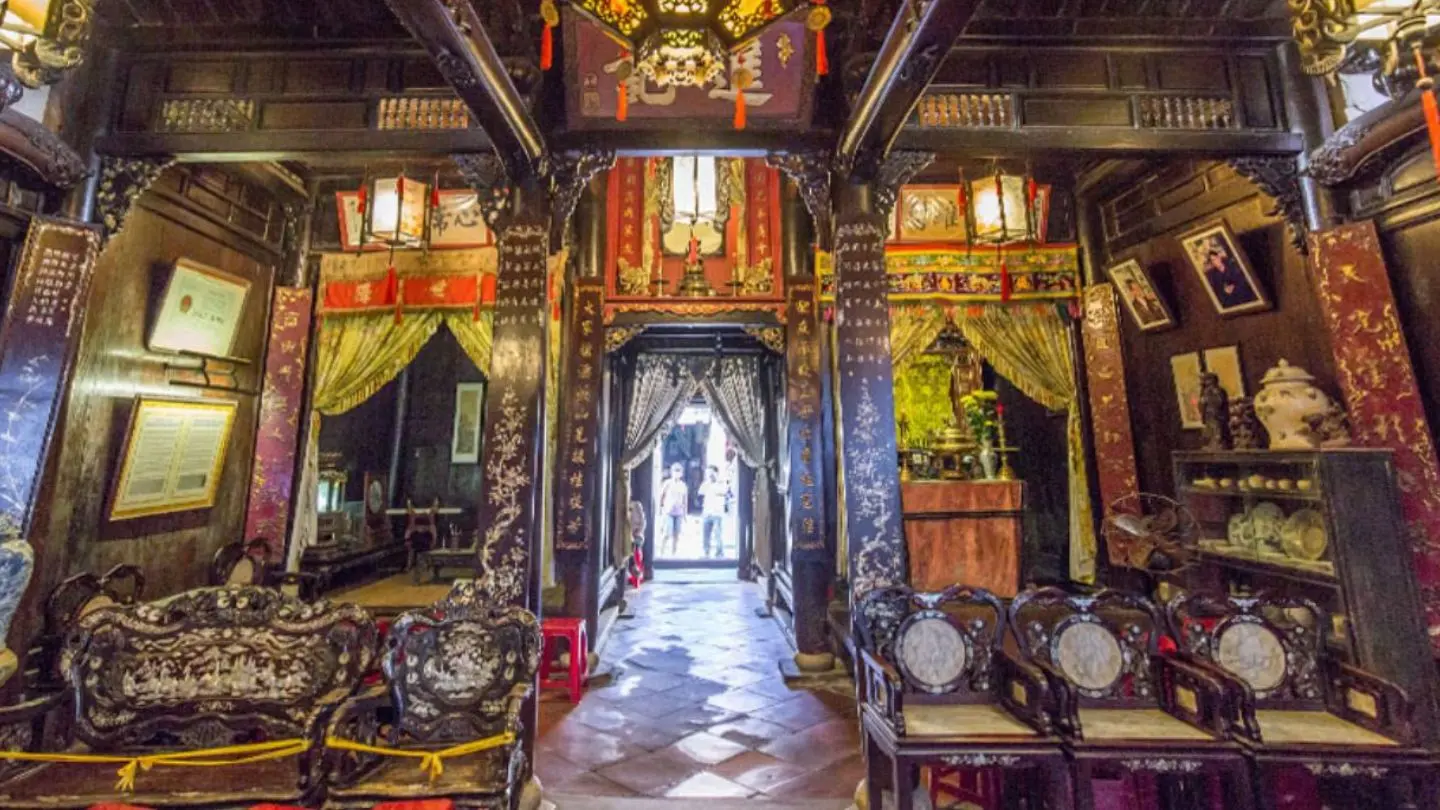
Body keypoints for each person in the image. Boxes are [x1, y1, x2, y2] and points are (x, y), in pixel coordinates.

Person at [1198, 239, 1258, 309]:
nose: (1215, 262)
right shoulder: (1213, 275)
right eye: (1212, 261)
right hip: (1229, 298)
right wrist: (1225, 291)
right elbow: (1216, 290)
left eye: (1215, 259)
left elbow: (1242, 279)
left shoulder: (1231, 266)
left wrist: (1234, 287)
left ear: (1219, 257)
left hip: (1240, 292)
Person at [698, 465, 730, 558]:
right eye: (708, 473)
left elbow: (726, 493)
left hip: (717, 513)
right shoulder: (705, 484)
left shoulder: (722, 484)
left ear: (716, 473)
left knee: (717, 534)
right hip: (707, 513)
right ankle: (706, 552)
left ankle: (719, 553)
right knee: (706, 535)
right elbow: (700, 495)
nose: (710, 475)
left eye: (712, 473)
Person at [657, 463, 689, 555]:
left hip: (679, 512)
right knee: (667, 533)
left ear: (681, 473)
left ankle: (673, 553)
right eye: (675, 471)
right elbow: (661, 496)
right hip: (668, 512)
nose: (677, 473)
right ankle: (661, 552)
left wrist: (685, 514)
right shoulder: (667, 483)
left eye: (679, 471)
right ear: (672, 472)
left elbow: (685, 500)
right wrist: (660, 509)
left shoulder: (683, 485)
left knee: (676, 535)